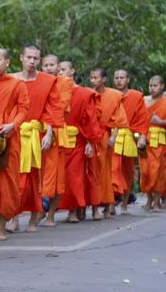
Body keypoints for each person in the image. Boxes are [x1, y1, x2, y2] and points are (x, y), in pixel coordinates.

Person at [8, 46, 63, 233]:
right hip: (15, 133)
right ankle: (12, 217)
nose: (31, 61)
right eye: (28, 57)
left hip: (37, 135)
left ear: (39, 60)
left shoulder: (48, 81)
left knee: (36, 178)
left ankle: (33, 218)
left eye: (35, 58)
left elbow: (53, 108)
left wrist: (49, 133)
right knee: (14, 176)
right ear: (21, 58)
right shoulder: (12, 79)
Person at [0, 48, 29, 240]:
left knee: (6, 183)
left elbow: (24, 109)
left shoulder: (17, 85)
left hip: (9, 137)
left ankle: (2, 226)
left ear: (7, 62)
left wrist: (13, 125)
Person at [57, 62, 104, 222]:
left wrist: (91, 142)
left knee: (79, 175)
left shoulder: (84, 94)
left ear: (72, 71)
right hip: (61, 139)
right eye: (58, 70)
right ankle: (73, 209)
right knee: (66, 177)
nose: (60, 72)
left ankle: (88, 207)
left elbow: (90, 119)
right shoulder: (56, 91)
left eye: (63, 69)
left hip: (80, 140)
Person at [89, 68, 129, 219]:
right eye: (91, 78)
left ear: (104, 79)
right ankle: (90, 207)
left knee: (105, 171)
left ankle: (106, 204)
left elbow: (119, 118)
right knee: (91, 171)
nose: (93, 81)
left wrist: (114, 136)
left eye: (96, 78)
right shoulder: (88, 94)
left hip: (105, 136)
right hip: (91, 135)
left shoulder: (114, 95)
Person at [40, 54, 73, 226]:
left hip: (57, 132)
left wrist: (50, 130)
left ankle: (51, 214)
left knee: (57, 176)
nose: (49, 68)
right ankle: (37, 211)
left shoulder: (64, 83)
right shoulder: (39, 81)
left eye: (52, 65)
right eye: (46, 65)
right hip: (37, 132)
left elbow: (60, 107)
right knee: (36, 175)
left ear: (58, 66)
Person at [140, 76, 166, 213]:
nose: (152, 88)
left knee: (157, 171)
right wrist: (141, 136)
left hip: (160, 142)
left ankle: (156, 202)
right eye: (150, 85)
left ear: (162, 86)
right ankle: (149, 198)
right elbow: (138, 120)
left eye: (155, 86)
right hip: (144, 140)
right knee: (145, 172)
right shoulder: (144, 101)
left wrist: (161, 122)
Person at [112, 69, 149, 214]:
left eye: (122, 77)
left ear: (128, 80)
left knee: (127, 171)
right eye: (116, 78)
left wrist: (143, 137)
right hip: (112, 138)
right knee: (112, 170)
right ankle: (110, 204)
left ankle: (124, 204)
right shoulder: (110, 95)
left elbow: (143, 118)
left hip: (128, 137)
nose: (119, 80)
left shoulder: (136, 96)